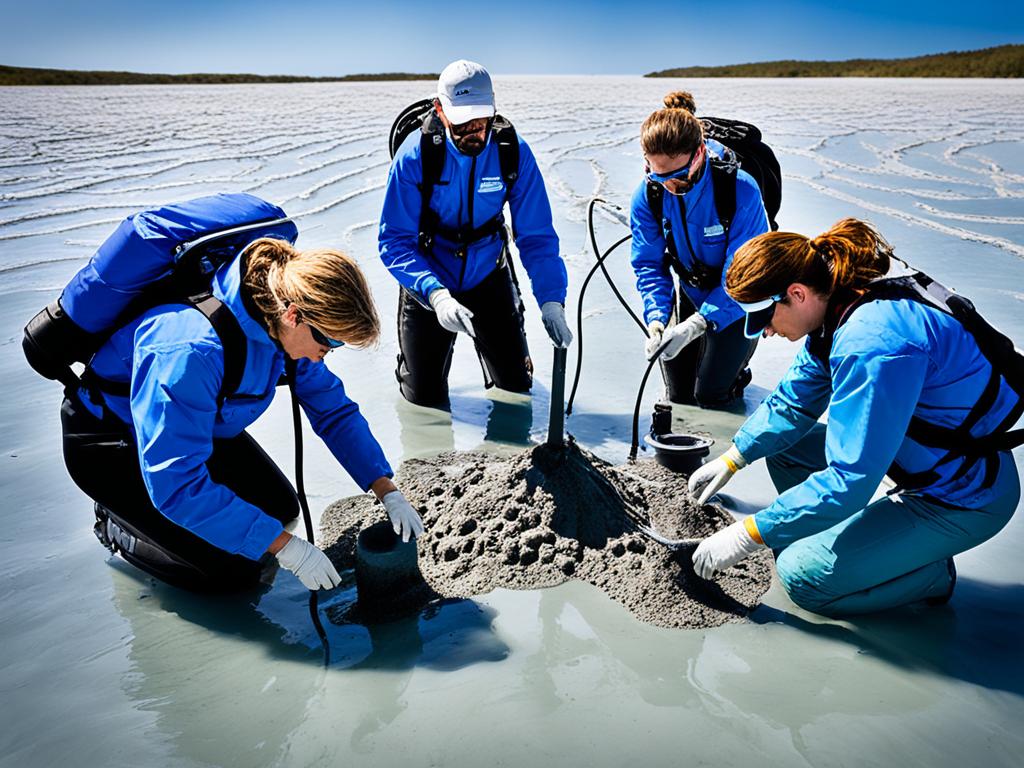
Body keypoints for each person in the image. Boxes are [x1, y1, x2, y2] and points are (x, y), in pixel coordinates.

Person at [688, 218, 1021, 616]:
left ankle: (931, 573)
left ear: (796, 294)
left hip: (961, 495)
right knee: (786, 450)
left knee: (801, 577)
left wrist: (750, 533)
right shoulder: (839, 301)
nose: (765, 334)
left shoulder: (873, 344)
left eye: (764, 318)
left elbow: (850, 480)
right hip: (917, 459)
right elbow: (794, 402)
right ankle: (868, 543)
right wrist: (734, 457)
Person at [61, 236, 424, 593]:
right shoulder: (189, 352)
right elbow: (176, 485)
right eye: (330, 343)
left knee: (280, 510)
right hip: (110, 443)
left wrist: (385, 488)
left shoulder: (277, 318)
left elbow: (333, 412)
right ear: (295, 316)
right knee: (231, 575)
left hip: (194, 428)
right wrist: (289, 550)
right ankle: (117, 528)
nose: (325, 355)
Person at [379, 59, 571, 408]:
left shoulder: (512, 152)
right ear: (441, 110)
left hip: (489, 274)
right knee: (423, 400)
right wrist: (435, 295)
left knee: (516, 388)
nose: (474, 131)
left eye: (481, 119)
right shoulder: (413, 157)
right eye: (463, 121)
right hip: (429, 276)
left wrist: (552, 300)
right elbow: (394, 242)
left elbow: (537, 236)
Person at [630, 91, 770, 408]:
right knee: (678, 395)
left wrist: (700, 323)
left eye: (678, 177)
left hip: (740, 300)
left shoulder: (740, 190)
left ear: (699, 154)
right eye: (657, 174)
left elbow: (743, 275)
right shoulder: (648, 195)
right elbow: (649, 265)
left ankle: (736, 376)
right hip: (691, 290)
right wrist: (656, 318)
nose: (669, 187)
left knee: (711, 395)